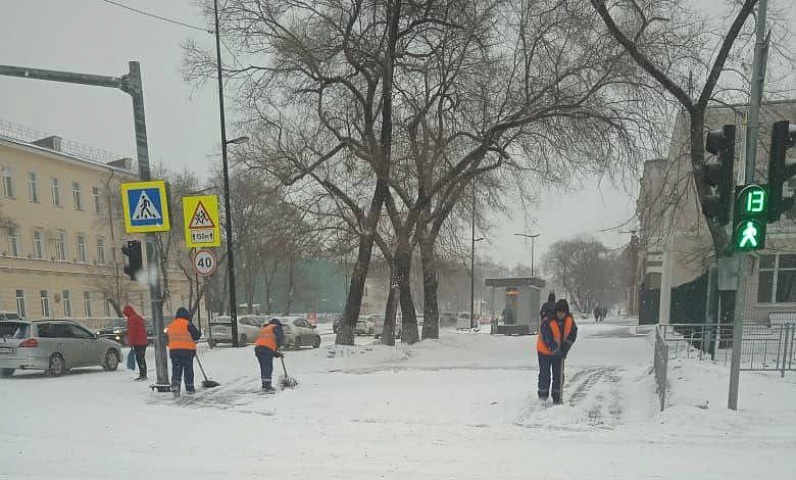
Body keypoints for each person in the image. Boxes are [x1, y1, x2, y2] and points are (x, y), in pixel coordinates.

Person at [537, 298, 578, 405]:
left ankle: (557, 397)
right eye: (559, 312)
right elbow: (547, 338)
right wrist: (555, 349)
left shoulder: (570, 321)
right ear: (556, 311)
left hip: (559, 352)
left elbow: (572, 335)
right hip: (544, 351)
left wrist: (565, 348)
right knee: (545, 374)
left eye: (563, 312)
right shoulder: (548, 320)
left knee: (558, 375)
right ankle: (542, 397)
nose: (561, 315)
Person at [166, 307, 201, 397]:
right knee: (188, 370)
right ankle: (189, 388)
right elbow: (197, 335)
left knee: (176, 370)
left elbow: (167, 338)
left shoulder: (171, 325)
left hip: (174, 352)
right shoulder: (188, 324)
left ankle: (176, 386)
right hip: (187, 351)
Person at [254, 318, 285, 393]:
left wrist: (277, 353)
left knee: (264, 367)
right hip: (266, 349)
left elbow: (267, 342)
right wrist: (279, 345)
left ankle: (265, 384)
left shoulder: (266, 328)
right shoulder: (276, 327)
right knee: (267, 367)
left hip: (258, 349)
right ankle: (267, 386)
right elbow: (280, 337)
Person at [123, 305, 148, 381]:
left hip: (138, 342)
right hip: (143, 341)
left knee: (139, 358)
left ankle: (143, 374)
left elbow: (132, 332)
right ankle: (144, 373)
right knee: (142, 358)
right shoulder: (138, 317)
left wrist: (131, 342)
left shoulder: (131, 319)